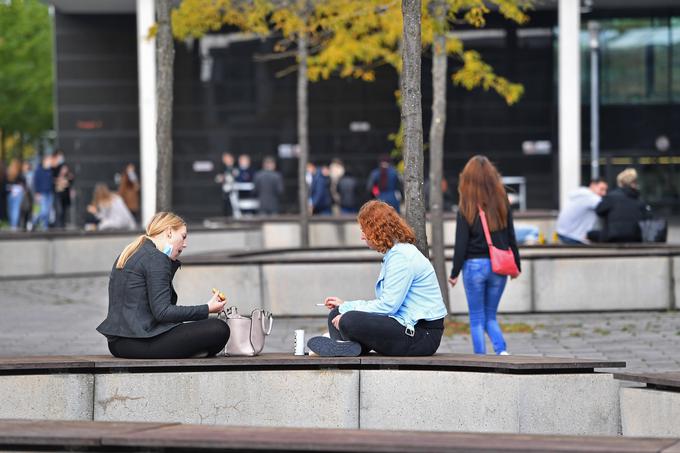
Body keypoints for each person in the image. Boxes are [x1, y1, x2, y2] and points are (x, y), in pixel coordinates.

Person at [307, 200, 447, 357]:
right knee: (336, 314)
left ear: (377, 230)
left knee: (348, 320)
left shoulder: (402, 257)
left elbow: (388, 306)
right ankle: (350, 347)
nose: (362, 236)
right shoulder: (395, 254)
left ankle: (346, 345)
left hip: (421, 335)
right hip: (406, 326)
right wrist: (345, 306)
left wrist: (349, 307)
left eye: (364, 230)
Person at [96, 211, 230, 358]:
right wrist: (207, 309)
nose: (185, 244)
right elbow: (163, 313)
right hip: (140, 342)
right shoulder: (156, 258)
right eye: (183, 236)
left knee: (206, 329)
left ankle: (195, 352)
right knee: (219, 328)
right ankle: (195, 352)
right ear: (169, 232)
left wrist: (169, 263)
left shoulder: (130, 252)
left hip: (118, 344)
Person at [448, 155, 521, 356]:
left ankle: (481, 360)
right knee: (491, 316)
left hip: (474, 266)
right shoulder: (502, 202)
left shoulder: (467, 206)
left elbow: (461, 243)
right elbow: (511, 236)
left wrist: (454, 272)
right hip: (500, 267)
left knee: (477, 318)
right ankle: (502, 351)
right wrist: (517, 266)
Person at [589, 168, 649, 243]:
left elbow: (599, 211)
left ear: (620, 183)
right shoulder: (639, 201)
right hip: (634, 240)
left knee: (589, 234)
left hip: (611, 239)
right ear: (634, 184)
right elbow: (647, 218)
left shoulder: (611, 197)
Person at [556, 178, 608, 244]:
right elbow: (606, 208)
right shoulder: (591, 197)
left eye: (605, 190)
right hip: (574, 237)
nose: (604, 193)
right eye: (602, 189)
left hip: (563, 233)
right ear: (593, 185)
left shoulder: (580, 194)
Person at [32, 154, 55, 231]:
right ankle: (35, 221)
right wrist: (37, 193)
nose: (50, 162)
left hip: (49, 193)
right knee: (43, 211)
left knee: (47, 211)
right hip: (41, 193)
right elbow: (36, 182)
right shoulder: (38, 170)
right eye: (49, 160)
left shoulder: (50, 171)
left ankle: (45, 227)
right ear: (45, 161)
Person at [215, 152, 238, 217]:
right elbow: (218, 178)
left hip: (234, 190)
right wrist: (224, 177)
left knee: (234, 205)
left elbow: (236, 175)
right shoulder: (222, 168)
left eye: (228, 158)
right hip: (225, 190)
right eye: (225, 159)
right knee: (225, 205)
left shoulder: (235, 167)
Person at [5, 159, 26, 231]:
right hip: (18, 193)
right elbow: (24, 185)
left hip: (10, 193)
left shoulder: (8, 174)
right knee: (15, 210)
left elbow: (6, 185)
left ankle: (12, 224)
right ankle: (14, 225)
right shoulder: (20, 174)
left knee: (11, 210)